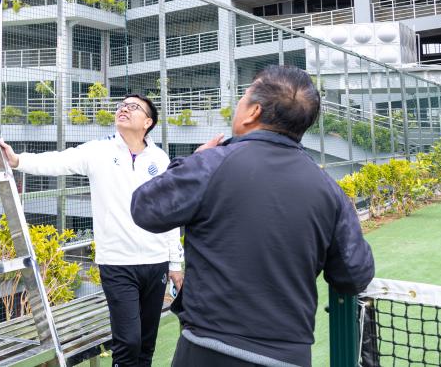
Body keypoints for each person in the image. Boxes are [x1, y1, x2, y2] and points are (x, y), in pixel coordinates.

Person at [131, 65, 375, 366]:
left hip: (206, 350)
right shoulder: (330, 190)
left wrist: (193, 160)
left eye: (243, 97)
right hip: (289, 356)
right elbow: (355, 274)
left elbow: (145, 208)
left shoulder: (211, 164)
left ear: (253, 112)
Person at [0, 94, 184, 367]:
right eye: (122, 105)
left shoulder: (159, 158)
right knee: (128, 341)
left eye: (133, 107)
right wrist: (17, 161)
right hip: (117, 264)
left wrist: (175, 262)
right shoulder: (98, 151)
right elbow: (58, 161)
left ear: (148, 122)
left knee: (146, 343)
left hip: (155, 263)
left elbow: (169, 212)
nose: (124, 109)